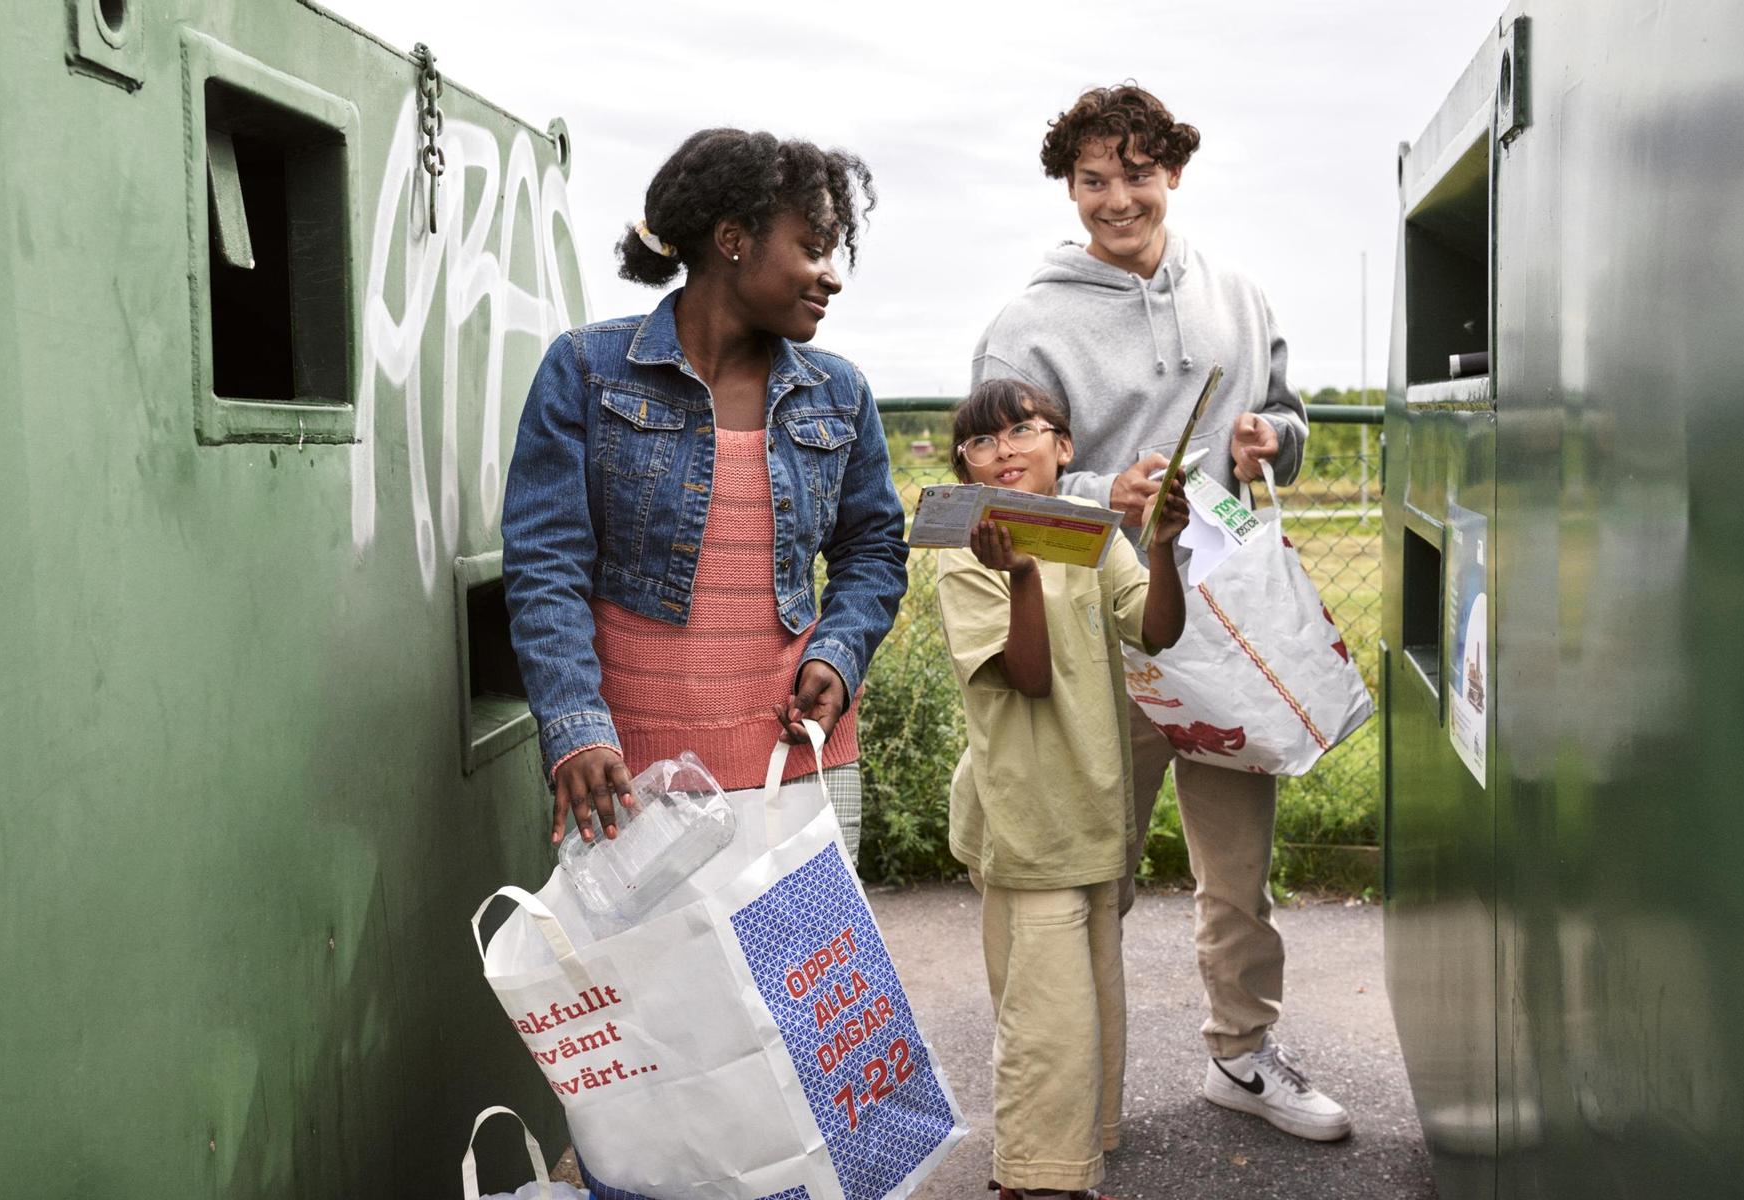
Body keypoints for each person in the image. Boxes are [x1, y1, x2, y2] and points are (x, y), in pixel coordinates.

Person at [971, 83, 1350, 1141]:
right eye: (1093, 179)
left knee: (1237, 873)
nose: (1115, 198)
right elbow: (1000, 488)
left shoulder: (1235, 291)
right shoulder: (1025, 326)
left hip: (1228, 629)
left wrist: (1277, 439)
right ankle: (1073, 1091)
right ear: (1069, 187)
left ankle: (1240, 1054)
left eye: (1136, 173)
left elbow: (1286, 411)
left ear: (1172, 173)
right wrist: (1104, 497)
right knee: (1095, 873)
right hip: (1103, 632)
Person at [501, 129, 907, 858]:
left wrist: (840, 656)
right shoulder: (587, 372)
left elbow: (875, 549)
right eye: (814, 248)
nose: (832, 275)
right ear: (733, 240)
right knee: (651, 976)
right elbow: (545, 567)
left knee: (798, 974)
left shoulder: (839, 392)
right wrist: (575, 728)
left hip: (802, 766)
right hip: (627, 775)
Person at [935, 378, 1190, 1199]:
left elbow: (1156, 629)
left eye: (1021, 430)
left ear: (1064, 447)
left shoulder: (1094, 537)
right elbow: (1031, 679)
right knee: (1047, 1023)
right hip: (1027, 821)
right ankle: (1037, 1178)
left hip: (1092, 812)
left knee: (1091, 1003)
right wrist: (1019, 578)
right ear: (964, 467)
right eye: (981, 441)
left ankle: (1076, 1151)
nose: (1003, 449)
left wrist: (1158, 544)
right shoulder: (967, 554)